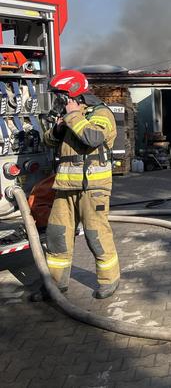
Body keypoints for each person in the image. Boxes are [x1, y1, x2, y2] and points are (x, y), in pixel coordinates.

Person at [32, 69, 120, 301]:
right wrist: (60, 127)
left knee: (96, 235)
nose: (59, 100)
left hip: (93, 188)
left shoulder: (100, 113)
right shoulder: (68, 114)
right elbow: (48, 140)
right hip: (65, 187)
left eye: (61, 95)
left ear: (73, 92)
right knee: (57, 236)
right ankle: (55, 285)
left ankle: (109, 280)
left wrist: (72, 117)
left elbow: (93, 138)